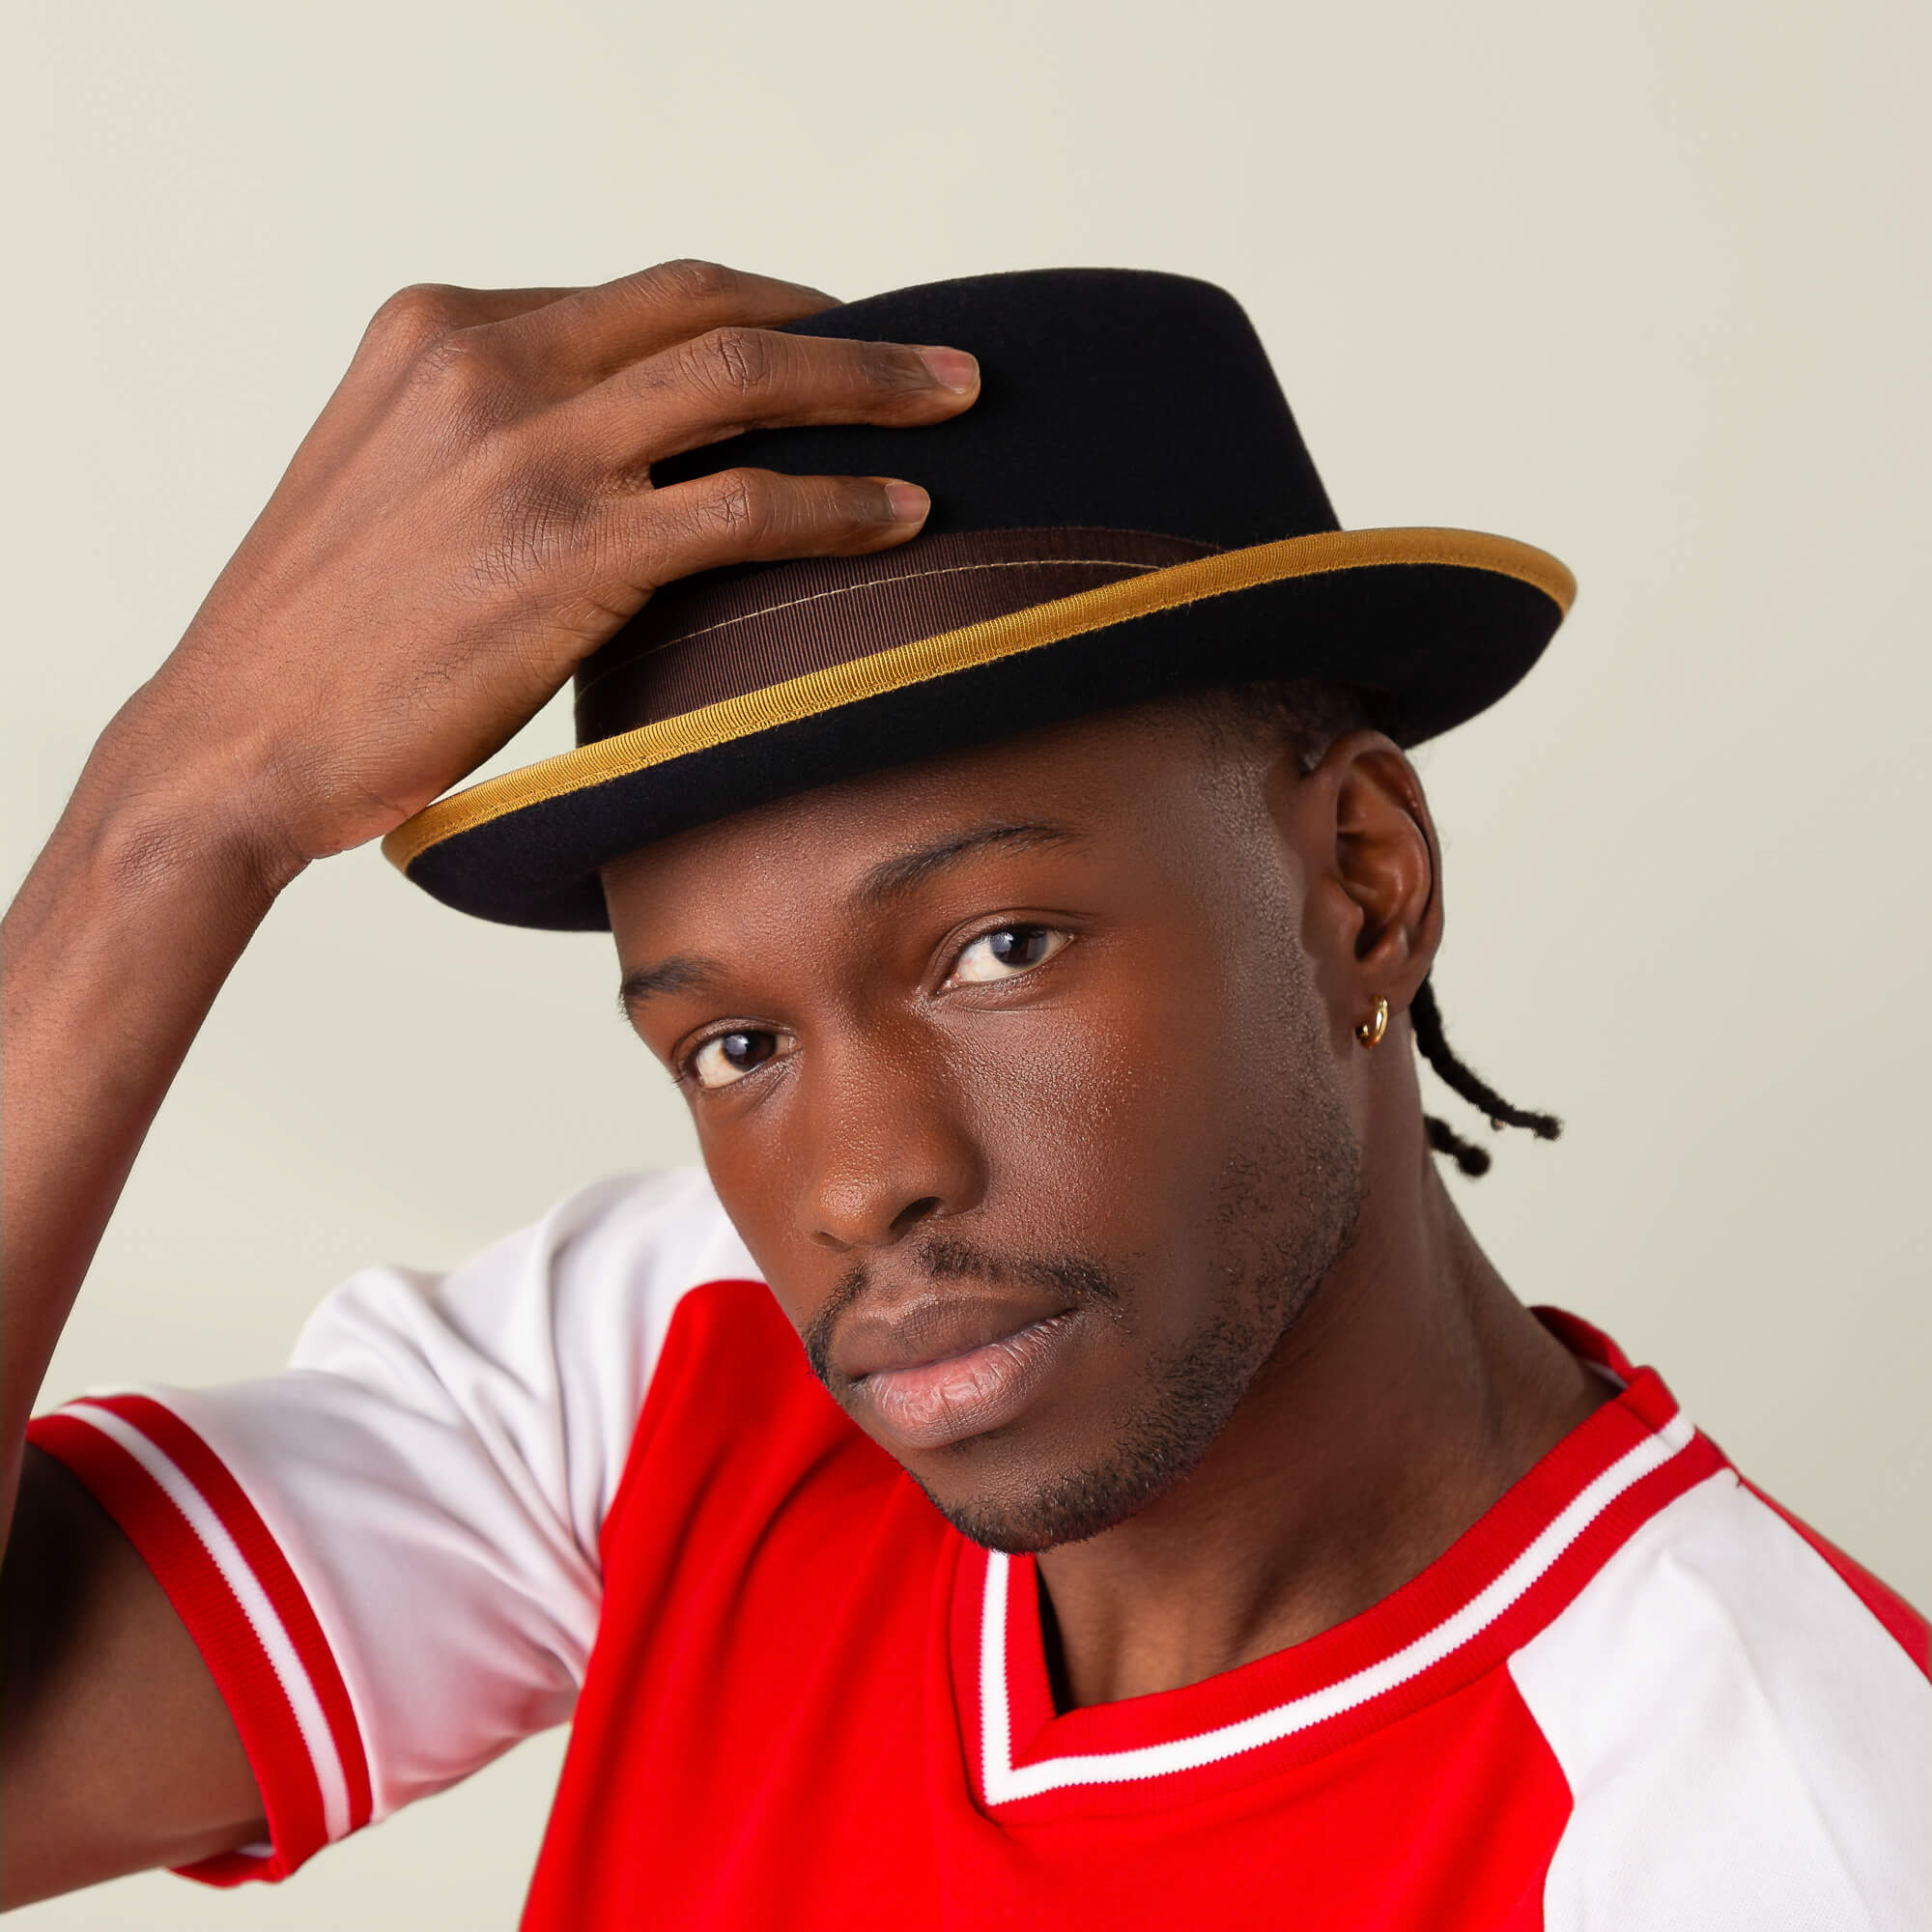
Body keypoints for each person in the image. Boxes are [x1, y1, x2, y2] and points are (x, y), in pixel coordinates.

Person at [1, 263, 1924, 1929]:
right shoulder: (691, 1354)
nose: (860, 1180)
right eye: (731, 1047)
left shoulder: (1758, 1828)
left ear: (1359, 882)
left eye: (995, 947)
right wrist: (172, 821)